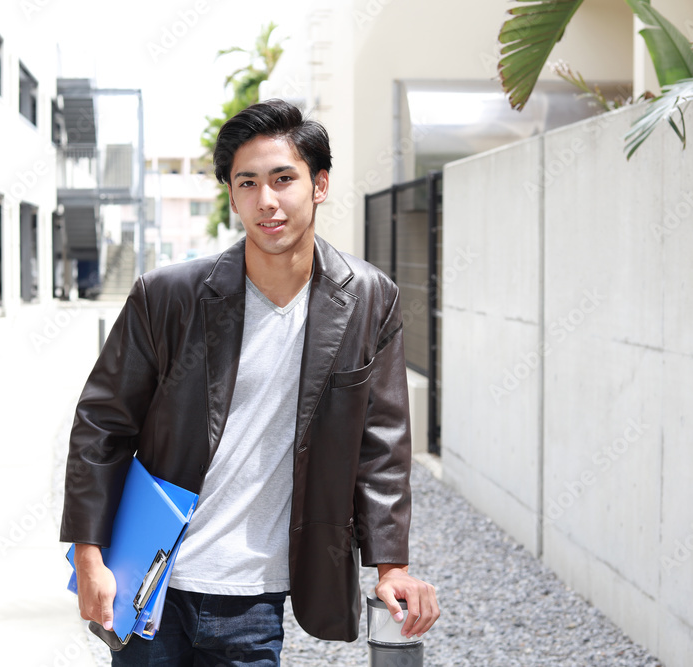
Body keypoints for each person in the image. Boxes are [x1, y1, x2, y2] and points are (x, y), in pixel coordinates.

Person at [61, 99, 439, 666]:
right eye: (248, 183)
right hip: (151, 581)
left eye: (284, 179)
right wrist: (88, 556)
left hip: (255, 597)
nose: (267, 200)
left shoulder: (368, 298)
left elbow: (381, 443)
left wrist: (393, 567)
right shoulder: (167, 297)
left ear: (319, 184)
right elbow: (101, 425)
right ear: (232, 195)